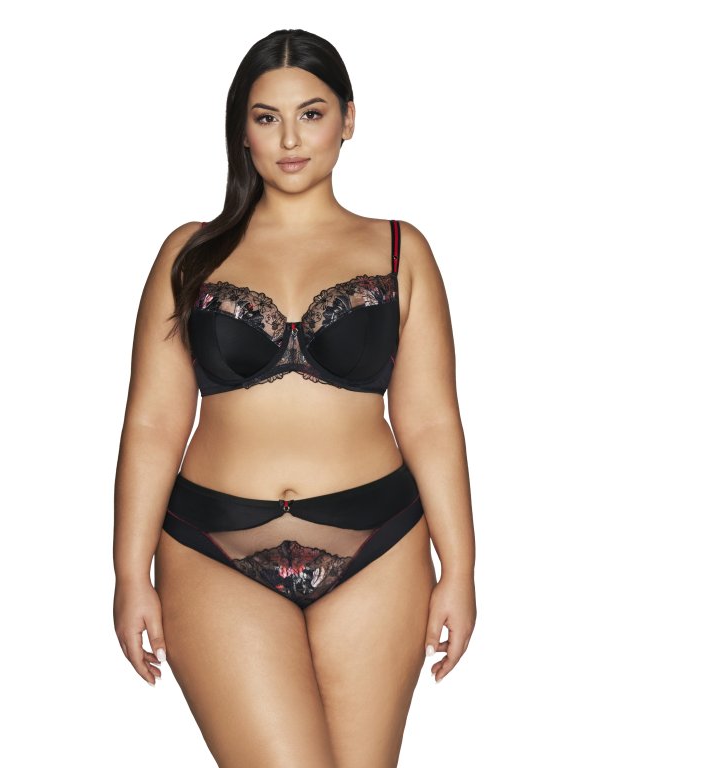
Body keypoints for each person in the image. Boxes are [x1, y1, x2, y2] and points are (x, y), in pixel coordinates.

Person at [113, 28, 476, 767]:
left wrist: (461, 570)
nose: (289, 139)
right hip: (212, 548)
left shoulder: (400, 249)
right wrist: (127, 574)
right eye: (266, 116)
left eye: (311, 114)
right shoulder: (190, 253)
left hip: (378, 547)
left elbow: (432, 422)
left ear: (348, 118)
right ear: (241, 129)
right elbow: (152, 423)